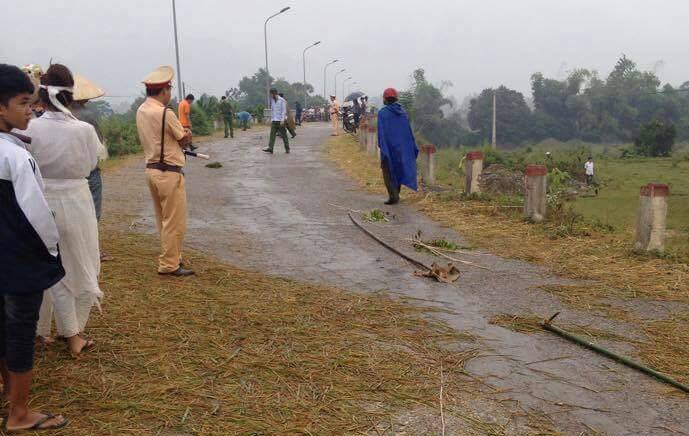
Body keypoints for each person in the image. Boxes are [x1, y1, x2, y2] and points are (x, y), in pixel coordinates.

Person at [0, 63, 69, 432]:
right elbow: (38, 215)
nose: (31, 110)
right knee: (21, 331)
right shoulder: (15, 156)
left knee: (2, 328)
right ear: (1, 108)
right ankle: (20, 413)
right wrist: (53, 252)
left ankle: (9, 392)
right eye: (24, 102)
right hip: (19, 260)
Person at [22, 64, 103, 356]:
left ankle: (40, 330)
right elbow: (93, 164)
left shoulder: (29, 128)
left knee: (46, 263)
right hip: (77, 200)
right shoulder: (84, 131)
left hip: (40, 200)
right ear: (71, 95)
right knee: (82, 264)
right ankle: (72, 332)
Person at [136, 66, 194, 277]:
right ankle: (169, 264)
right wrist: (187, 133)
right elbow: (183, 139)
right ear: (164, 91)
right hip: (169, 172)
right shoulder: (165, 113)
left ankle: (173, 256)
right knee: (175, 220)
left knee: (163, 219)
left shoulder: (141, 110)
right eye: (169, 90)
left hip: (151, 170)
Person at [377, 88, 419, 205]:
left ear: (385, 99)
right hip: (402, 148)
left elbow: (381, 132)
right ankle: (396, 194)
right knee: (398, 170)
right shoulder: (403, 112)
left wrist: (382, 146)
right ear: (396, 98)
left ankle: (393, 196)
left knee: (388, 171)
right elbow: (408, 132)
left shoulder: (382, 113)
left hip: (389, 147)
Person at [262, 88, 289, 154]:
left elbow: (284, 111)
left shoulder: (282, 100)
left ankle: (287, 148)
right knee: (272, 135)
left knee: (284, 135)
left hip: (280, 121)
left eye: (271, 94)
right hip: (274, 120)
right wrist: (271, 119)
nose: (271, 96)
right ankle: (270, 148)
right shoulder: (272, 101)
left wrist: (282, 120)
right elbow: (272, 110)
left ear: (274, 94)